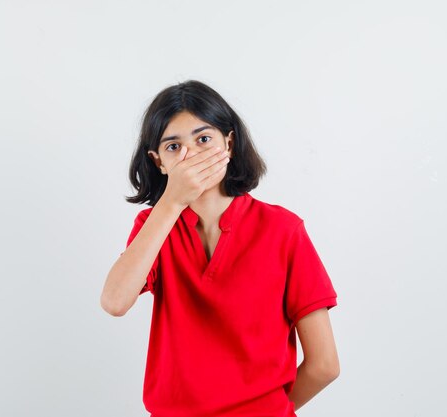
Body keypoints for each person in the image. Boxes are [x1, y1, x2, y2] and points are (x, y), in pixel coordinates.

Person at [100, 80, 340, 417]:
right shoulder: (153, 227)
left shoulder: (283, 229)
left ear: (228, 142)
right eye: (173, 147)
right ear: (158, 162)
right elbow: (114, 302)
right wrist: (170, 203)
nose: (191, 155)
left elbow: (325, 364)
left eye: (203, 139)